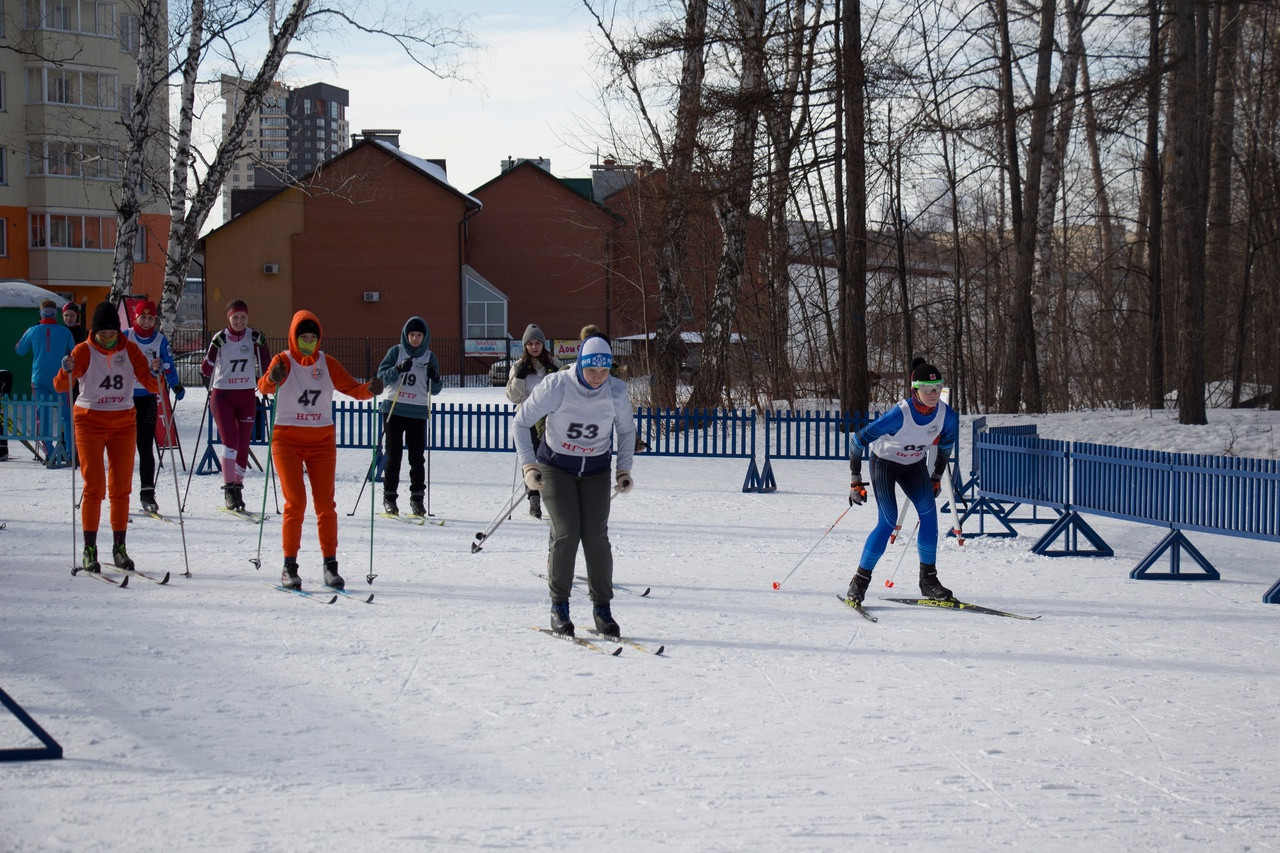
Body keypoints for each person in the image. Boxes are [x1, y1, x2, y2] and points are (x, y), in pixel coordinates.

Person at [513, 335, 635, 638]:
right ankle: (559, 606)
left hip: (594, 469)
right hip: (557, 467)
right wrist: (529, 465)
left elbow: (626, 431)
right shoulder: (558, 385)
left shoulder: (616, 392)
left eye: (604, 372)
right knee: (567, 531)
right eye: (592, 371)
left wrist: (623, 469)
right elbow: (520, 421)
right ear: (581, 365)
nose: (597, 378)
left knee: (595, 535)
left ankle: (602, 608)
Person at [258, 310, 383, 591]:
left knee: (326, 506)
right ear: (294, 337)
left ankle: (330, 565)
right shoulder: (283, 361)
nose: (308, 342)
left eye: (313, 338)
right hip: (286, 440)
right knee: (296, 503)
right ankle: (289, 566)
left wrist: (372, 389)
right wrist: (272, 378)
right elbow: (264, 387)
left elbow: (354, 389)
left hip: (321, 442)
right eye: (303, 337)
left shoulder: (328, 364)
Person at [53, 302, 161, 573]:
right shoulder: (84, 350)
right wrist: (66, 369)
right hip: (89, 420)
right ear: (94, 332)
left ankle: (119, 548)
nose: (108, 338)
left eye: (112, 333)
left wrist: (157, 372)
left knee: (121, 487)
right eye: (102, 334)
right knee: (94, 486)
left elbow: (149, 383)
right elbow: (60, 385)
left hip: (123, 422)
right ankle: (90, 549)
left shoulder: (130, 348)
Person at [843, 357, 960, 606]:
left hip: (913, 466)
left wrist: (937, 477)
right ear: (914, 389)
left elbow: (946, 448)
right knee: (888, 521)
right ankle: (860, 581)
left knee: (929, 515)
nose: (933, 394)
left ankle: (928, 580)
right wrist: (855, 481)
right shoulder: (899, 414)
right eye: (927, 389)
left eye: (938, 388)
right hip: (884, 464)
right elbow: (857, 441)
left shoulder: (947, 416)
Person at [201, 299, 271, 511]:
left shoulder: (253, 336)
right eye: (235, 317)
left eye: (243, 317)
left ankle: (238, 487)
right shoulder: (220, 338)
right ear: (228, 318)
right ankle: (229, 488)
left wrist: (263, 345)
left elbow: (267, 367)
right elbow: (205, 369)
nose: (239, 321)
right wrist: (214, 347)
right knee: (230, 440)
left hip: (247, 394)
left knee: (242, 443)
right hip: (223, 395)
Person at [374, 316, 442, 517]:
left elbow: (435, 389)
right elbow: (382, 377)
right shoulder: (396, 352)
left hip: (417, 411)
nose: (415, 339)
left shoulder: (430, 357)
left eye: (419, 335)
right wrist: (396, 369)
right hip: (394, 408)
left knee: (417, 458)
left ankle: (417, 499)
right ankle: (389, 497)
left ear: (425, 336)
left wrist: (435, 378)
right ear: (406, 335)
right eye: (411, 335)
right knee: (393, 456)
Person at [123, 301, 184, 514]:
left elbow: (168, 364)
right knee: (122, 448)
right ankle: (119, 493)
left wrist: (175, 384)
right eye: (143, 317)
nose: (147, 321)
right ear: (136, 317)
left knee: (146, 446)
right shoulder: (125, 336)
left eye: (151, 318)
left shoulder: (159, 340)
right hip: (124, 400)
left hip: (148, 397)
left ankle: (147, 493)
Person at [506, 323, 562, 518]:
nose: (534, 347)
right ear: (525, 346)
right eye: (530, 343)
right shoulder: (519, 366)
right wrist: (519, 377)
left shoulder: (555, 364)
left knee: (551, 460)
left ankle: (554, 501)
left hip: (551, 419)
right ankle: (534, 499)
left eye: (538, 343)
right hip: (528, 417)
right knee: (530, 460)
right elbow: (512, 397)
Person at [14, 298, 75, 464]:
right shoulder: (64, 332)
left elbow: (19, 350)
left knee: (43, 416)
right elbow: (74, 352)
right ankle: (70, 453)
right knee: (67, 417)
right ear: (56, 314)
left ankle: (49, 454)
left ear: (41, 313)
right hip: (60, 379)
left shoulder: (33, 330)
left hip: (39, 379)